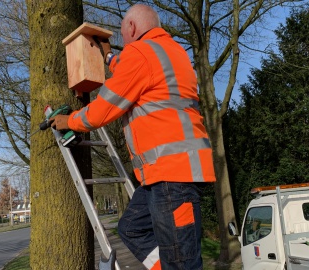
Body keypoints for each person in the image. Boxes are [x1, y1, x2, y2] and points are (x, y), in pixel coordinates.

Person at [49, 4, 216, 270]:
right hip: (167, 175)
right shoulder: (172, 51)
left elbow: (102, 110)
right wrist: (108, 58)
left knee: (183, 264)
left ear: (132, 28)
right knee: (131, 228)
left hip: (171, 178)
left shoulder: (141, 53)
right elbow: (134, 71)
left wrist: (68, 121)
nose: (123, 43)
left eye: (123, 36)